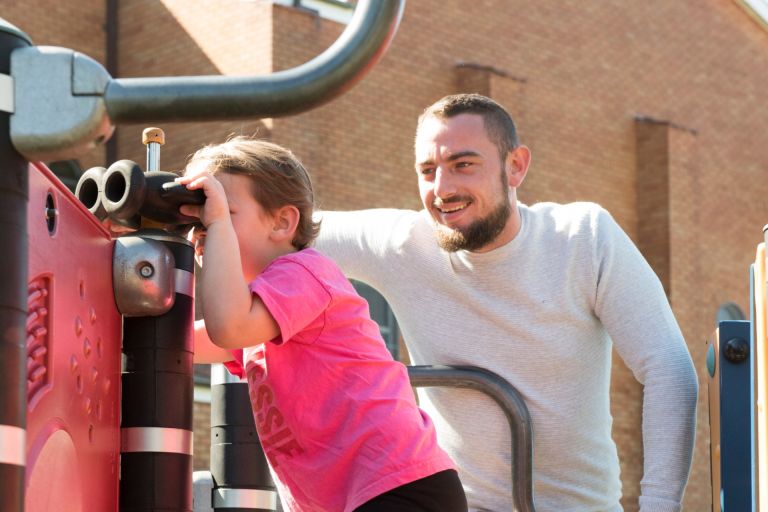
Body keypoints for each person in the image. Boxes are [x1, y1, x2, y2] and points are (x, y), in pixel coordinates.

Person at [314, 93, 699, 511]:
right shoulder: (404, 243)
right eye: (428, 171)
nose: (442, 189)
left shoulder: (582, 238)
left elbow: (668, 368)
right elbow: (279, 230)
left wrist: (659, 504)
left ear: (515, 166)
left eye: (463, 165)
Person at [176, 137, 468, 512]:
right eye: (199, 220)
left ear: (282, 223)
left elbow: (226, 327)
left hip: (400, 485)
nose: (205, 230)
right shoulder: (255, 317)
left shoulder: (305, 273)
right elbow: (181, 341)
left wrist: (215, 227)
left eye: (223, 212)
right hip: (358, 497)